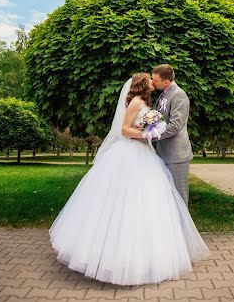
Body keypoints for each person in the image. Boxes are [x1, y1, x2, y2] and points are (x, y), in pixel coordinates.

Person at [49, 73, 210, 286]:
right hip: (131, 153)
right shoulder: (135, 102)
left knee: (150, 202)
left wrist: (149, 130)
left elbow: (144, 126)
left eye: (155, 79)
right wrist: (147, 135)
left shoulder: (147, 101)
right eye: (150, 80)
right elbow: (124, 130)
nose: (153, 82)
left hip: (145, 154)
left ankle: (153, 254)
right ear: (143, 85)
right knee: (127, 201)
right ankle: (118, 257)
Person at [149, 64, 193, 206]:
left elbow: (175, 127)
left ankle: (182, 228)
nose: (152, 82)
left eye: (155, 80)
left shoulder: (179, 95)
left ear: (166, 82)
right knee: (166, 196)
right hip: (162, 153)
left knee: (179, 197)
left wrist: (150, 136)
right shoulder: (163, 94)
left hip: (176, 155)